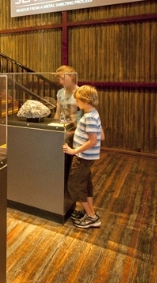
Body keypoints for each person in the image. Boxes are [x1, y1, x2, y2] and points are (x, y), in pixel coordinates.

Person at [62, 85, 104, 229]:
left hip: (82, 157)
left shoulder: (89, 118)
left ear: (86, 101)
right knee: (85, 184)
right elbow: (101, 136)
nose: (76, 103)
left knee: (74, 186)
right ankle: (89, 213)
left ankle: (92, 217)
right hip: (87, 157)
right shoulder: (93, 114)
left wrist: (74, 151)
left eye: (78, 100)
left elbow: (92, 141)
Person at [53, 65, 80, 144]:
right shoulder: (60, 92)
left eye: (63, 78)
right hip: (63, 126)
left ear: (72, 76)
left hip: (76, 127)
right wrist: (55, 127)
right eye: (59, 79)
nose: (61, 82)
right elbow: (58, 112)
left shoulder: (80, 92)